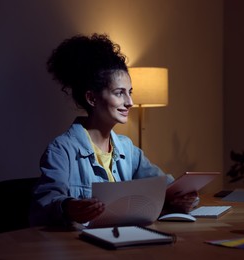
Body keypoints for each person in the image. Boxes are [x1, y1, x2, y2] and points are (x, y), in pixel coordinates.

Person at [29, 33, 198, 227]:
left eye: (130, 92)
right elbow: (43, 207)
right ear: (92, 98)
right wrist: (68, 206)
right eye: (119, 93)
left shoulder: (127, 149)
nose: (130, 102)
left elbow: (163, 186)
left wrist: (184, 197)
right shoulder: (61, 149)